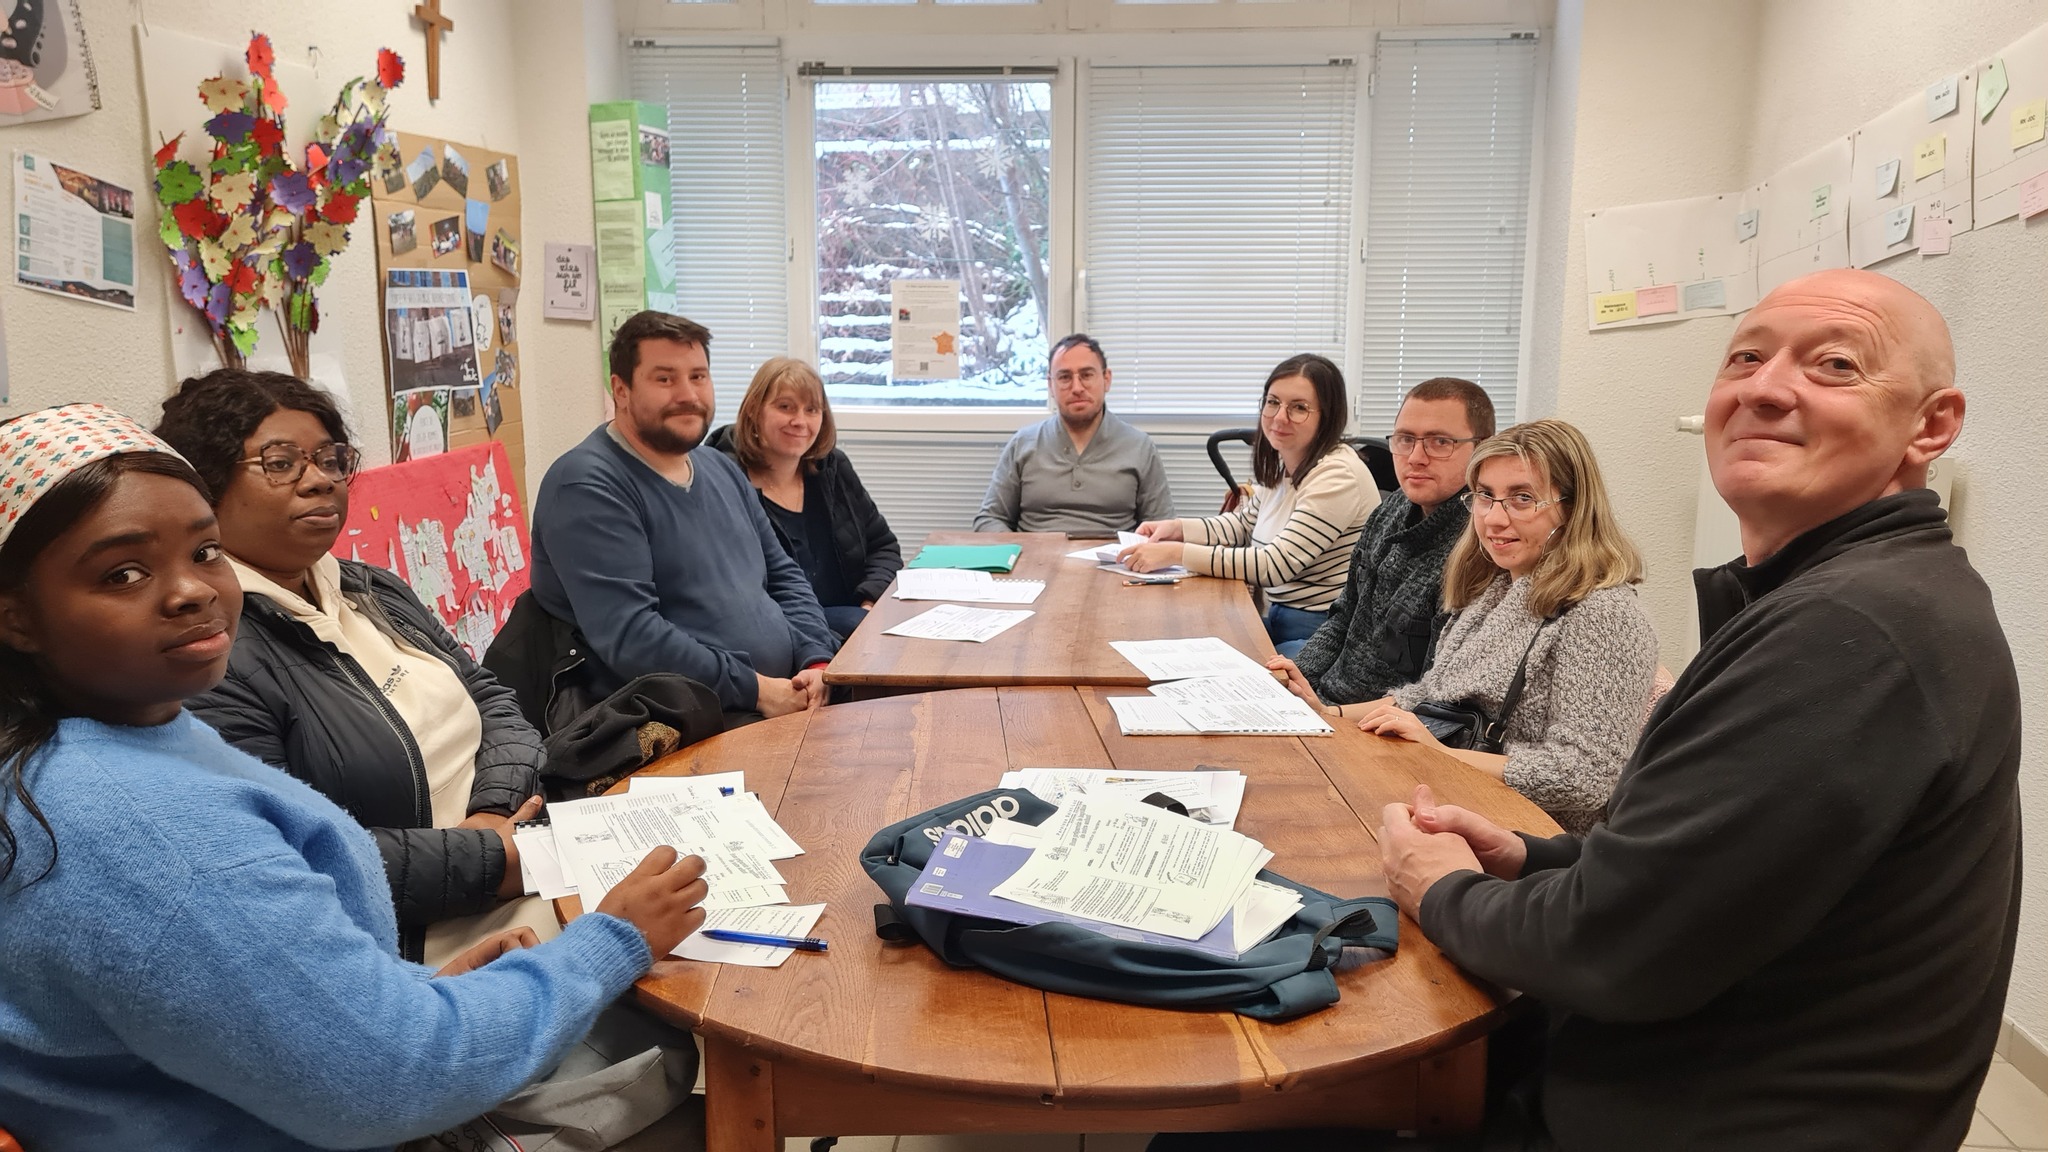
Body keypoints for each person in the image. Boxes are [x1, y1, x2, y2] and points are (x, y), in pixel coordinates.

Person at [1378, 269, 2018, 1151]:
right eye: (1745, 358)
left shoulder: (1852, 630)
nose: (1765, 386)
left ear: (1931, 424)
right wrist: (1529, 855)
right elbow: (1706, 865)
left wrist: (1436, 886)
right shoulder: (1836, 598)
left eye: (1833, 364)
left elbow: (1606, 947)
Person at [0, 403, 710, 1152]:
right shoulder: (146, 833)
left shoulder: (130, 732)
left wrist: (411, 997)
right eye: (124, 572)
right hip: (361, 1103)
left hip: (366, 1033)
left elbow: (256, 992)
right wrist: (615, 938)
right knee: (700, 1100)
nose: (193, 590)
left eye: (204, 552)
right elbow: (393, 1080)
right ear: (17, 618)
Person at [153, 368, 555, 970]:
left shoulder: (373, 587)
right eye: (281, 463)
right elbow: (293, 856)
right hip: (407, 939)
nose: (319, 481)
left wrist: (493, 818)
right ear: (204, 489)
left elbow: (493, 699)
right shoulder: (211, 649)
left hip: (514, 847)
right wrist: (488, 859)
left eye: (329, 459)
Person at [1291, 420, 1655, 834]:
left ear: (1574, 507)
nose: (1495, 519)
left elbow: (1585, 779)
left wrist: (1438, 755)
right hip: (1451, 796)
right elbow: (1426, 697)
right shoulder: (1495, 586)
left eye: (1522, 498)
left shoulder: (1604, 615)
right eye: (1486, 496)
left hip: (1534, 842)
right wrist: (1327, 714)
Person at [529, 311, 839, 722]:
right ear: (620, 390)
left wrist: (816, 663)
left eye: (698, 376)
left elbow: (783, 575)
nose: (688, 394)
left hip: (779, 697)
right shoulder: (587, 486)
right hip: (686, 718)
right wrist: (758, 689)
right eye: (665, 378)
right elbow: (634, 638)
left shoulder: (719, 467)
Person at [1119, 354, 1378, 657]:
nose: (1279, 417)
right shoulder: (1289, 461)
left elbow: (1274, 565)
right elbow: (1242, 525)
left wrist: (1177, 553)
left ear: (1327, 416)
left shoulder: (1337, 475)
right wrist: (1177, 529)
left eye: (1299, 408)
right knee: (1185, 643)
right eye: (1272, 402)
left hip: (1324, 633)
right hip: (1280, 618)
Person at [1268, 377, 1493, 705]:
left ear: (1483, 446)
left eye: (1440, 442)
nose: (1415, 457)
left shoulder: (1480, 544)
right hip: (1329, 702)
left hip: (1379, 727)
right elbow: (1345, 614)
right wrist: (1296, 682)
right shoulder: (1392, 508)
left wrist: (1331, 716)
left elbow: (1435, 697)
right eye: (1405, 439)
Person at [708, 356, 902, 642]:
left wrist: (869, 603)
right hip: (773, 634)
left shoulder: (832, 469)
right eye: (785, 407)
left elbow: (883, 546)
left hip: (853, 623)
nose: (799, 421)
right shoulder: (722, 479)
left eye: (811, 409)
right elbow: (730, 592)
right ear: (753, 411)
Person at [973, 333, 1174, 535]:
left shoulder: (1139, 446)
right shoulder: (1023, 443)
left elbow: (1163, 527)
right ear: (1051, 385)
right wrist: (1021, 552)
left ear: (1107, 379)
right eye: (1065, 377)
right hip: (1037, 561)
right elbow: (990, 519)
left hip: (1113, 563)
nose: (1077, 388)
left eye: (1086, 375)